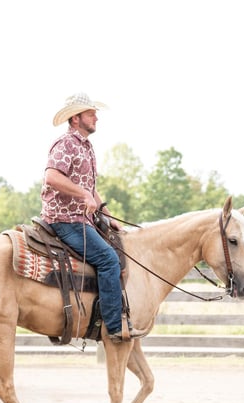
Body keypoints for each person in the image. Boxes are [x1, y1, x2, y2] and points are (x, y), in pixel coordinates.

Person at [40, 92, 147, 342]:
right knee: (109, 260)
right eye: (90, 113)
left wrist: (107, 215)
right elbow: (52, 177)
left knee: (118, 248)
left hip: (83, 218)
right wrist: (82, 196)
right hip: (66, 219)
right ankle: (113, 326)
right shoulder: (66, 144)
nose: (96, 117)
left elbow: (90, 188)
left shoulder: (85, 146)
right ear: (75, 118)